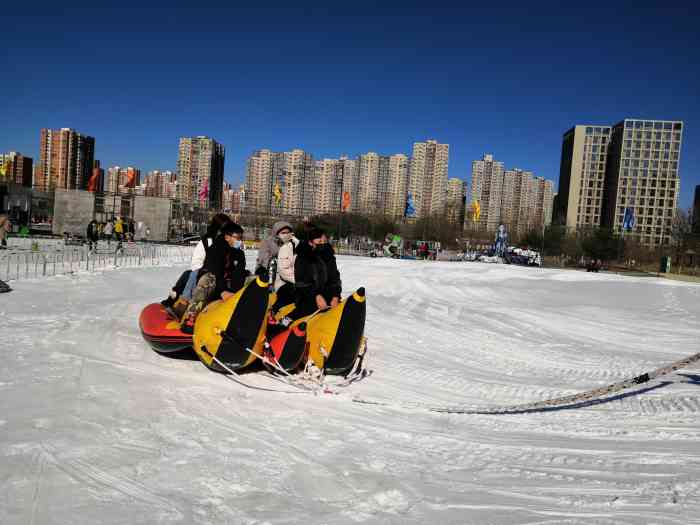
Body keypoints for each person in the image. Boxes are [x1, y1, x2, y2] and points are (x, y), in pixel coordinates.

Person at [180, 222, 248, 333]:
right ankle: (191, 316)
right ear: (227, 237)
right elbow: (216, 272)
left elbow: (239, 273)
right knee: (208, 278)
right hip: (216, 283)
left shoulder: (239, 253)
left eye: (241, 238)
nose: (240, 241)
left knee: (251, 279)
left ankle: (253, 317)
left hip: (229, 284)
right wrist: (222, 292)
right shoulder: (215, 250)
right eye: (237, 237)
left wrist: (235, 292)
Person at [162, 213, 231, 313]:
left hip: (221, 275)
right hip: (206, 273)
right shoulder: (206, 242)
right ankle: (180, 301)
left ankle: (177, 298)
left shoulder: (229, 242)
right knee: (190, 274)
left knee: (188, 275)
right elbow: (196, 263)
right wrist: (205, 271)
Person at [288, 226, 341, 322]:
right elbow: (302, 283)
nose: (322, 244)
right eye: (319, 241)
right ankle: (283, 324)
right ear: (310, 242)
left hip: (327, 295)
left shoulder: (329, 257)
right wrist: (316, 296)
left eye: (324, 241)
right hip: (307, 295)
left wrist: (336, 296)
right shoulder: (303, 257)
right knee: (307, 309)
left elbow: (335, 279)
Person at [271, 225, 299, 314]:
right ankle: (274, 313)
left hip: (295, 281)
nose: (285, 235)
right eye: (283, 233)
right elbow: (284, 271)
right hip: (284, 283)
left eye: (287, 232)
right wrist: (299, 280)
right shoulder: (285, 247)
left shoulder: (296, 246)